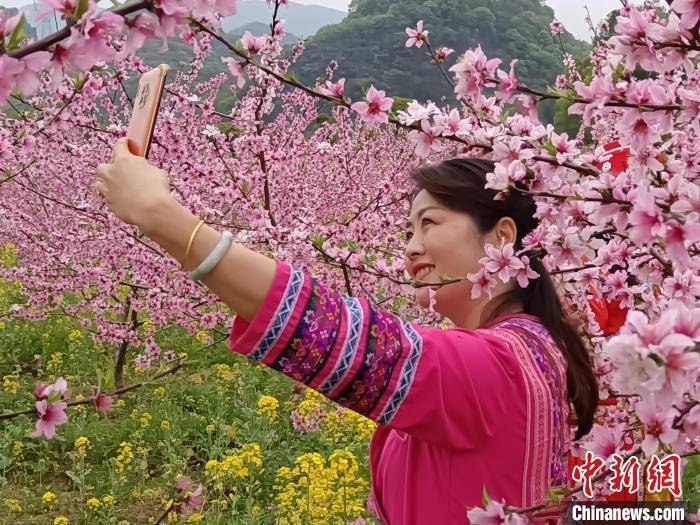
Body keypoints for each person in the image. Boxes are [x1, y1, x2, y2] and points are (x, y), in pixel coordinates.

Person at [95, 140, 598, 524]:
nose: (411, 248)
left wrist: (163, 218)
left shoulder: (501, 364)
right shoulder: (532, 350)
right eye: (408, 231)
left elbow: (337, 334)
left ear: (502, 236)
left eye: (430, 223)